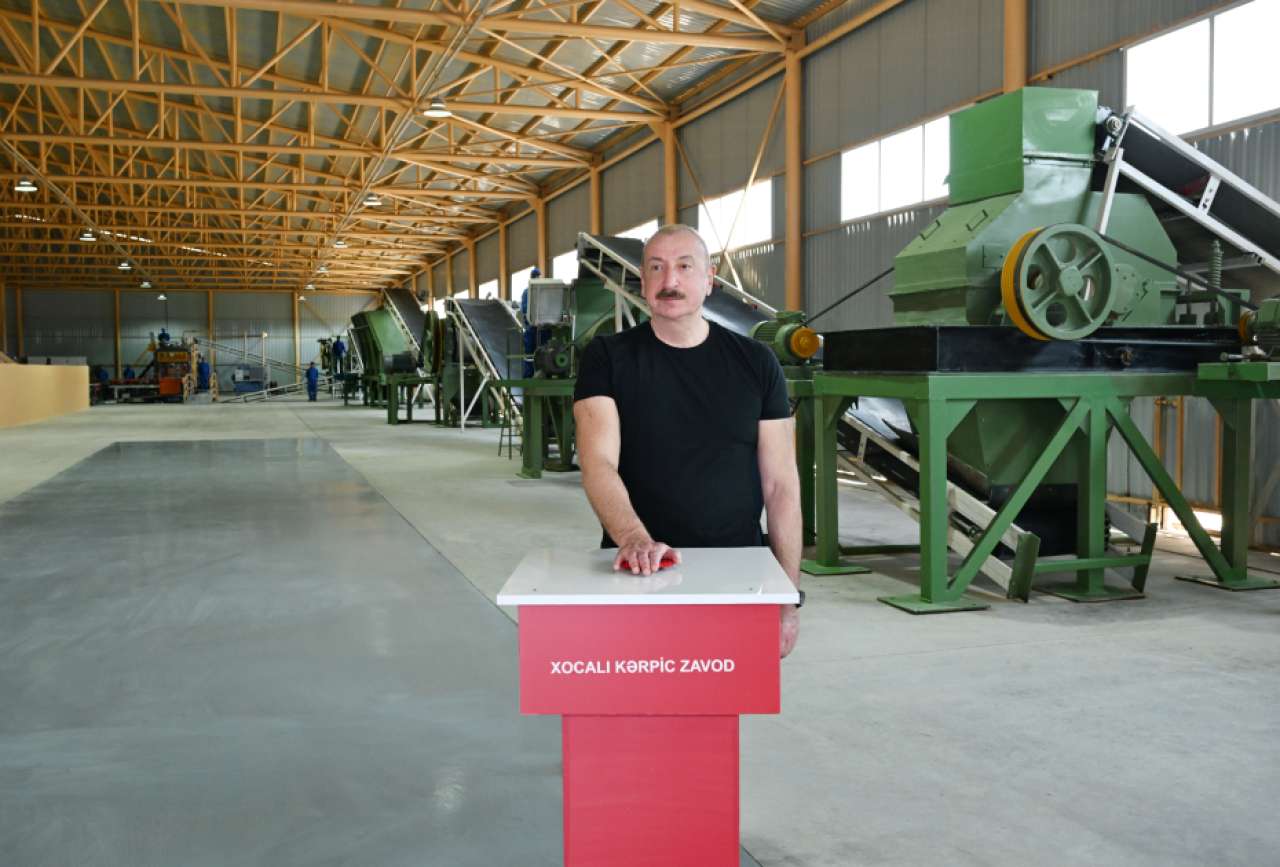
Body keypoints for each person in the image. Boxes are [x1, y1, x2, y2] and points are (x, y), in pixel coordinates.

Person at [572, 225, 802, 659]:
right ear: (643, 280)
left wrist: (787, 599)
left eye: (684, 266)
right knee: (640, 691)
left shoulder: (757, 362)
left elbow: (781, 486)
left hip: (739, 573)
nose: (670, 281)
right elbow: (598, 462)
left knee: (727, 699)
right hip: (640, 571)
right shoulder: (607, 358)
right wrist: (635, 539)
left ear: (709, 279)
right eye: (656, 268)